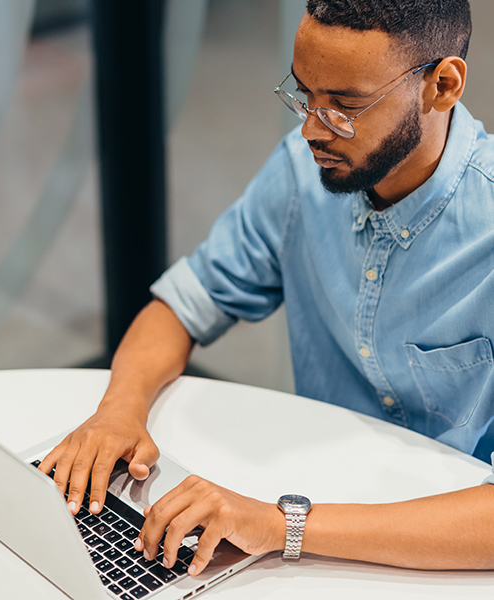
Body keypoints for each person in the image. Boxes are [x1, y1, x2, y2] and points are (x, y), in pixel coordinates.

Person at [40, 0, 494, 576]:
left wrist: (281, 526)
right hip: (313, 529)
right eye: (305, 94)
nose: (310, 129)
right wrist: (118, 412)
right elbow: (184, 305)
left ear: (443, 85)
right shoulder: (303, 173)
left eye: (345, 106)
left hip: (450, 557)